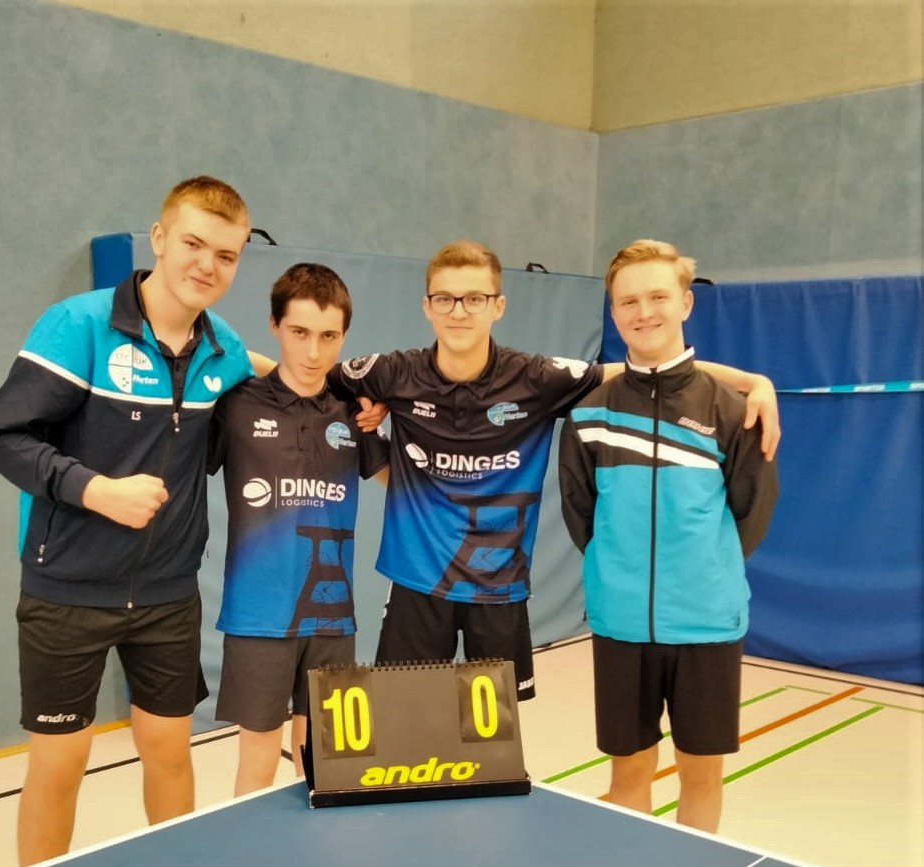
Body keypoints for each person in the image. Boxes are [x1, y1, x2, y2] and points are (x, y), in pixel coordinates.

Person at [328, 239, 781, 701]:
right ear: (427, 307)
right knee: (406, 717)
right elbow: (313, 383)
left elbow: (647, 372)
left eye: (475, 298)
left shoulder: (536, 378)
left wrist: (754, 382)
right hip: (416, 582)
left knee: (492, 733)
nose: (459, 311)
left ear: (498, 306)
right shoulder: (392, 373)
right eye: (445, 298)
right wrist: (365, 423)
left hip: (498, 589)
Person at [0, 175, 258, 865]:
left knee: (169, 750)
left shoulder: (223, 348)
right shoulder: (79, 325)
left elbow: (266, 375)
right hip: (66, 591)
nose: (207, 265)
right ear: (159, 238)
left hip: (167, 595)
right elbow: (1, 437)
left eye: (226, 254)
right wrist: (95, 490)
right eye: (193, 244)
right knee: (60, 764)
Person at [558, 239, 779, 833]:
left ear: (685, 302)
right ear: (613, 311)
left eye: (657, 296)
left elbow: (751, 512)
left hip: (706, 624)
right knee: (628, 774)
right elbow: (581, 513)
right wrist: (618, 571)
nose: (643, 312)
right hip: (621, 623)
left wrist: (705, 571)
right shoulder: (589, 413)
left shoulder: (733, 410)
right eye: (627, 301)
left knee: (700, 775)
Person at [207, 264, 389, 796]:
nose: (313, 351)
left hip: (332, 618)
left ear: (344, 337)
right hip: (257, 616)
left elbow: (402, 484)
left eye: (329, 336)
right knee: (259, 762)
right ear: (274, 326)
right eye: (300, 332)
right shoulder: (236, 406)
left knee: (323, 765)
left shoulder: (354, 414)